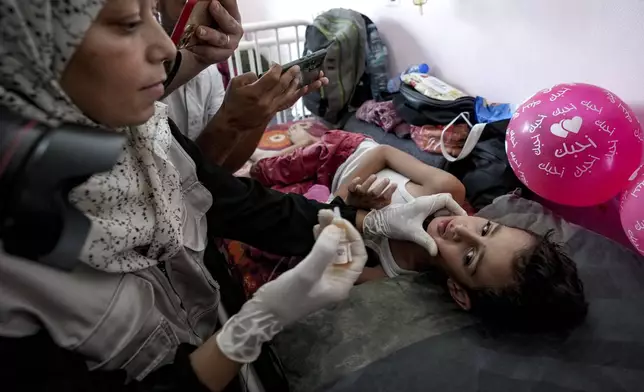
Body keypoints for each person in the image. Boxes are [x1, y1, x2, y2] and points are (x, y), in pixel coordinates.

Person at [0, 1, 465, 391]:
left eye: (153, 16)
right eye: (126, 22)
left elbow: (234, 202)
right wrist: (249, 329)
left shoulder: (144, 132)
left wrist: (363, 221)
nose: (165, 48)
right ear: (28, 50)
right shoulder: (14, 279)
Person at [252, 133, 588, 331]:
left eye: (470, 257)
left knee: (272, 216)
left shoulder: (391, 272)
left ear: (459, 291)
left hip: (335, 195)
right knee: (263, 171)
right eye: (486, 228)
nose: (462, 232)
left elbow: (321, 247)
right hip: (347, 154)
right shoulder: (445, 189)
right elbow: (381, 152)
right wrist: (343, 198)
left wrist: (352, 208)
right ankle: (302, 142)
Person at [157, 0, 226, 140]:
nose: (196, 14)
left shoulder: (211, 74)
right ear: (158, 4)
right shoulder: (139, 79)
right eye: (186, 3)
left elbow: (208, 155)